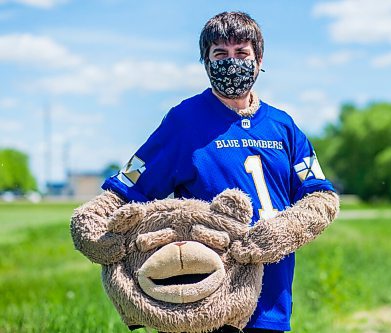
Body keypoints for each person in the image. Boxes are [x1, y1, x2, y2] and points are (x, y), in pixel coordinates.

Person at [94, 11, 338, 333]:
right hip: (202, 299)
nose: (231, 62)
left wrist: (286, 230)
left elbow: (319, 194)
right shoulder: (185, 121)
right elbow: (129, 188)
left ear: (258, 58)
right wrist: (95, 225)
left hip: (272, 299)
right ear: (205, 60)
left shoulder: (283, 126)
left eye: (241, 53)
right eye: (220, 53)